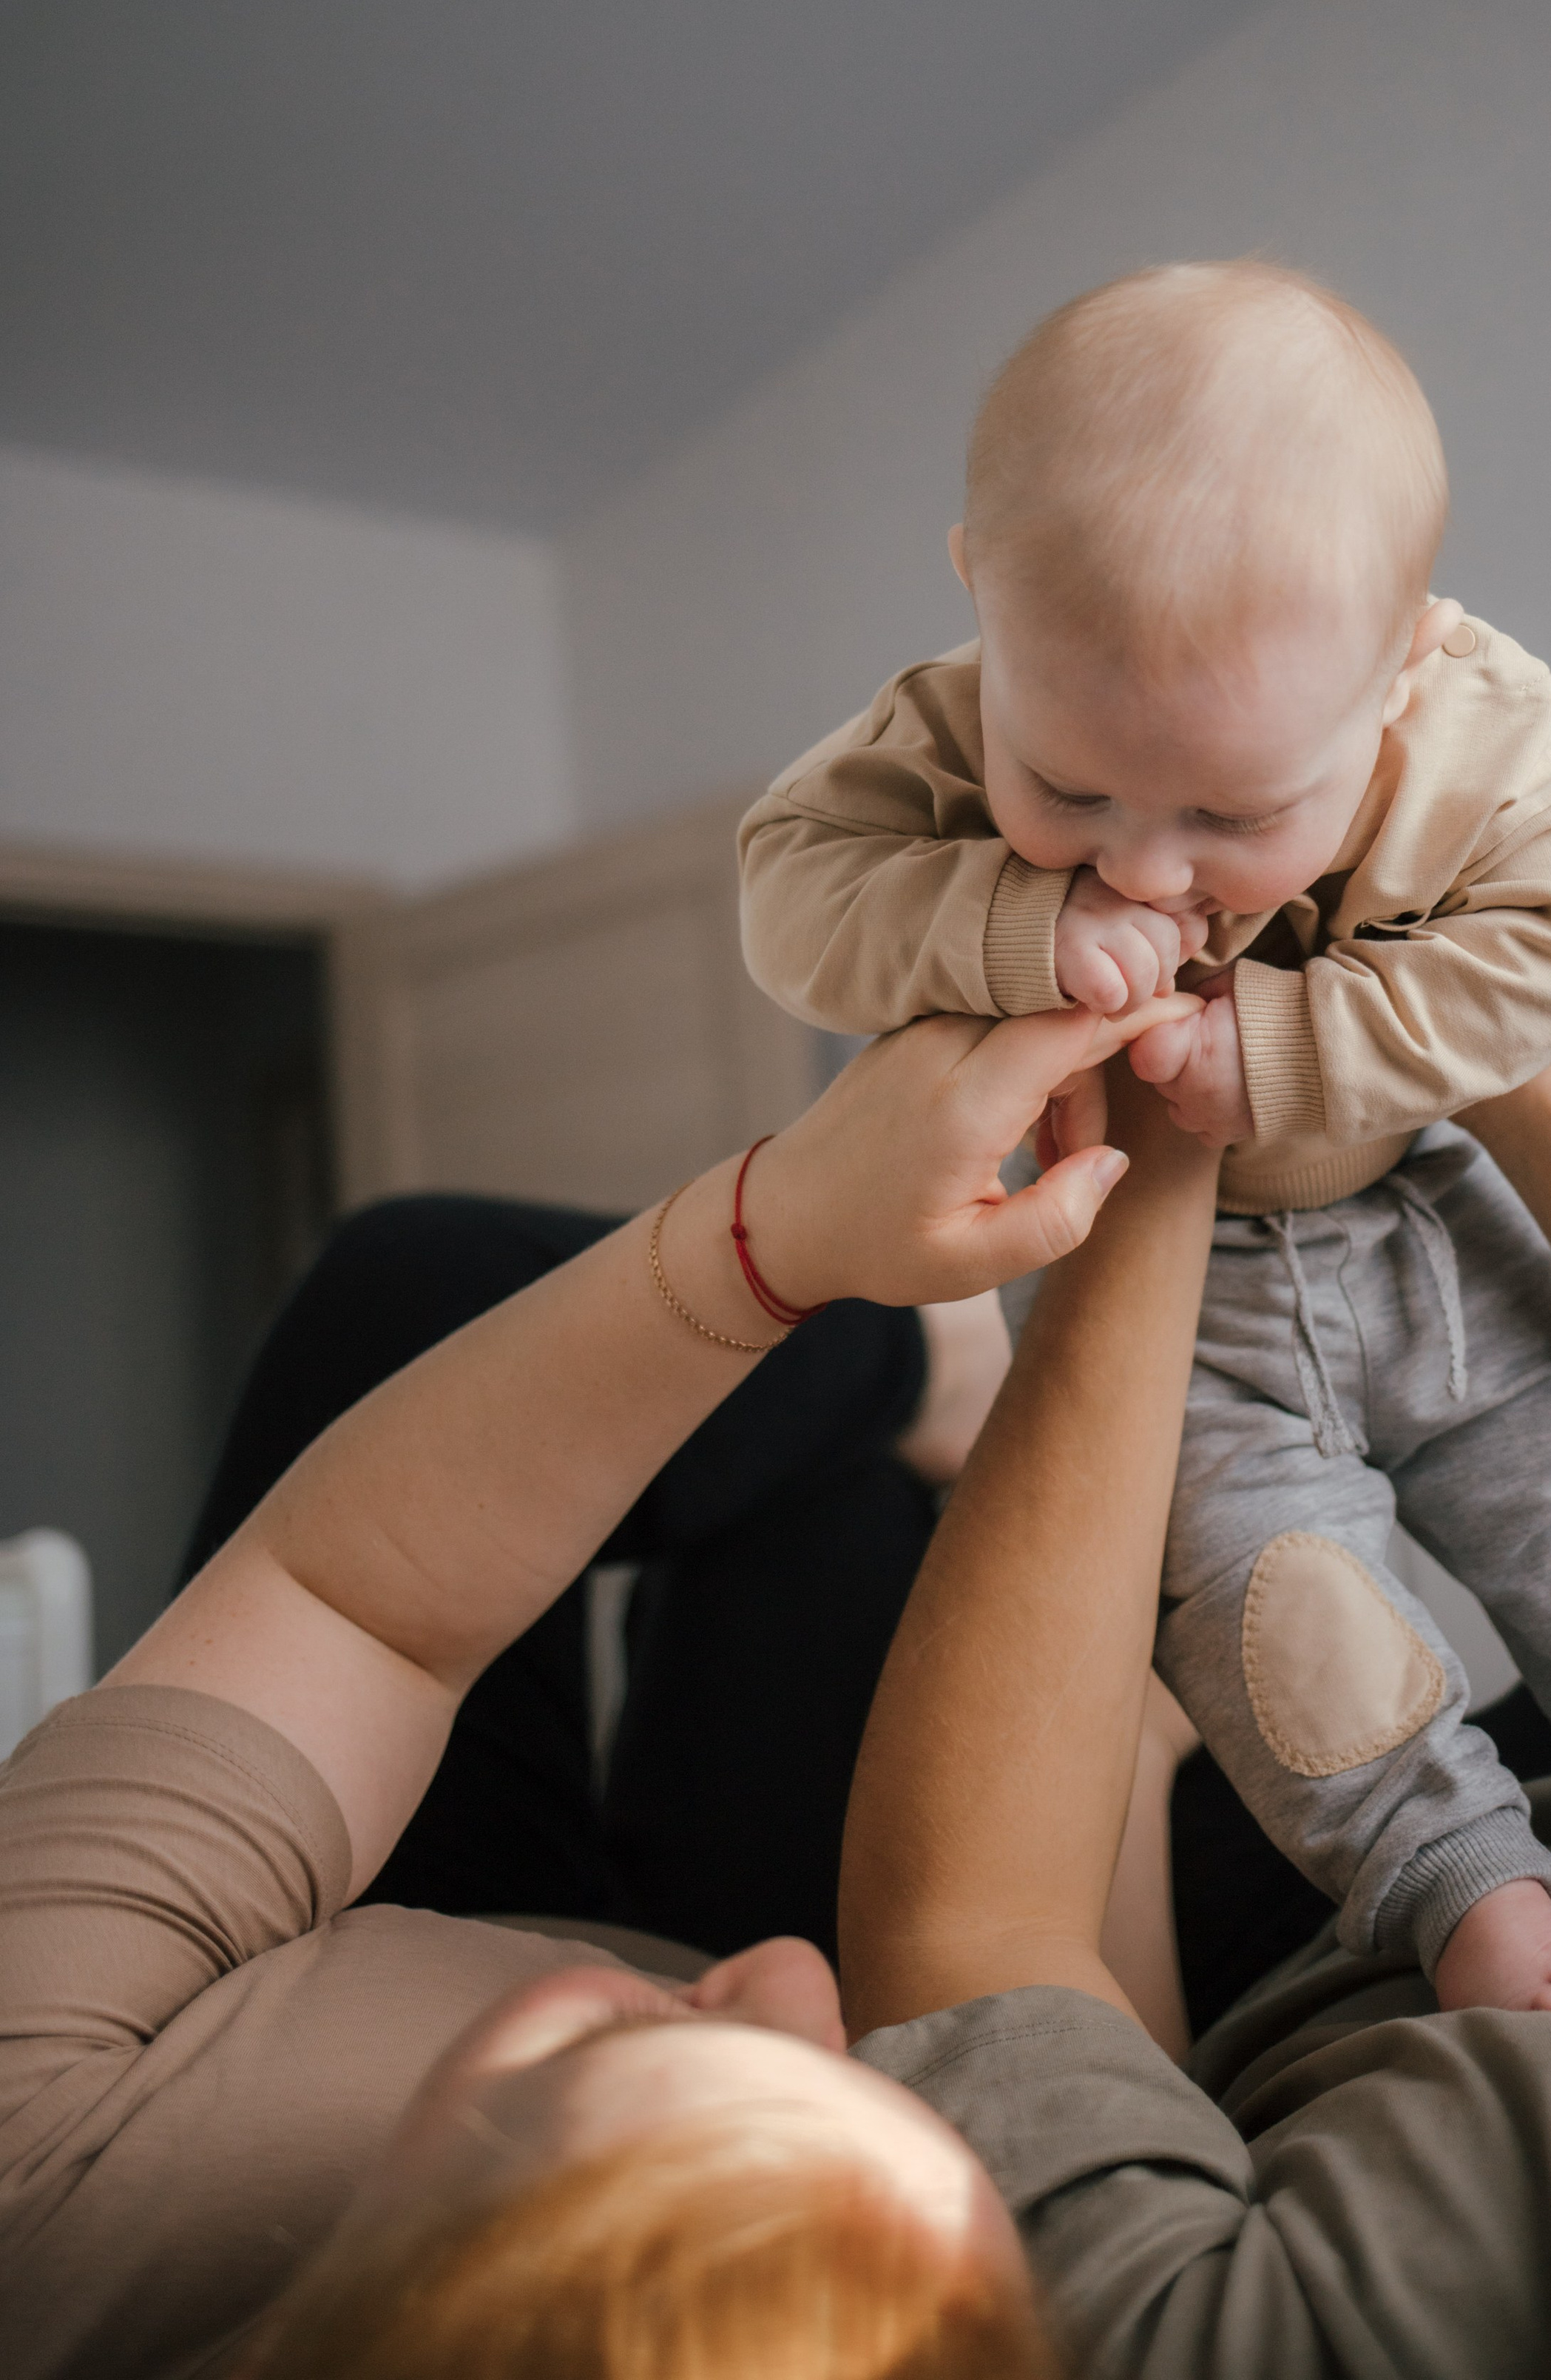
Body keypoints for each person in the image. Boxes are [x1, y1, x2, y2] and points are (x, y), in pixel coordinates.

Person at [737, 255, 1551, 2014]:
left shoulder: (1473, 724)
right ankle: (1455, 1888)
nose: (1142, 865)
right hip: (1186, 1310)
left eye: (1232, 812)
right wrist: (1010, 931)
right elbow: (790, 903)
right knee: (1269, 1614)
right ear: (979, 602)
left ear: (1399, 662)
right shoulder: (939, 724)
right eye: (1071, 790)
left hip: (1433, 1230)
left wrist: (1299, 1039)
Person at [0, 999, 1180, 2380]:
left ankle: (933, 1366)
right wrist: (1136, 1727)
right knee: (850, 1518)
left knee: (403, 1283)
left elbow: (353, 1605)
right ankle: (929, 1396)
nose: (797, 1986)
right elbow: (1099, 2067)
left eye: (640, 2044)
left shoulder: (45, 2171)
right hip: (854, 1912)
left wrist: (778, 1234)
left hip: (347, 1944)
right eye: (862, 2090)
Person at [839, 1045, 1551, 2380]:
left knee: (837, 1536)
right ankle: (943, 1380)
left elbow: (967, 1938)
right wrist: (1523, 1054)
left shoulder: (1257, 2348)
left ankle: (929, 1378)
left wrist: (1155, 1167)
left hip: (1313, 1931)